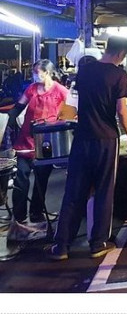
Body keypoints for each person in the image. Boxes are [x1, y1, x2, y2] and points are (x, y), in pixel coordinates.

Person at [46, 36, 127, 260]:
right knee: (104, 190)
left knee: (74, 191)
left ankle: (61, 246)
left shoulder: (84, 71)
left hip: (82, 137)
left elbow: (74, 103)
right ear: (120, 54)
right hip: (106, 139)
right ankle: (98, 243)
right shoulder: (118, 74)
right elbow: (121, 110)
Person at [7, 59, 68, 224]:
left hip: (46, 142)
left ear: (47, 73)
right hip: (26, 140)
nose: (34, 75)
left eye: (36, 72)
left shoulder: (60, 91)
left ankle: (36, 212)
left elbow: (70, 112)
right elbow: (19, 106)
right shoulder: (32, 89)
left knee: (41, 179)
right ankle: (19, 216)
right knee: (21, 177)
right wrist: (8, 119)